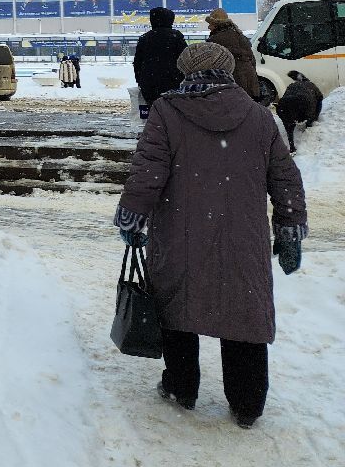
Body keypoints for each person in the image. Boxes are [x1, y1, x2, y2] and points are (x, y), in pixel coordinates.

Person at [114, 41, 307, 429]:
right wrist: (289, 229)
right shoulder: (257, 115)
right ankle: (248, 402)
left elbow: (147, 171)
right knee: (244, 313)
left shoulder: (168, 112)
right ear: (230, 70)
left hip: (180, 233)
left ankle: (181, 387)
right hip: (243, 238)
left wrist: (132, 218)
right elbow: (285, 179)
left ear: (186, 72)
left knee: (177, 308)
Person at [133, 6, 187, 112]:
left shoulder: (145, 38)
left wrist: (140, 81)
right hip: (173, 82)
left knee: (155, 112)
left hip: (149, 84)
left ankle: (157, 127)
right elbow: (185, 59)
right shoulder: (176, 37)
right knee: (172, 112)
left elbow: (137, 63)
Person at [205, 8, 261, 99]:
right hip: (249, 82)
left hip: (231, 88)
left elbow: (211, 68)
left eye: (210, 24)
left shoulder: (215, 41)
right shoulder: (240, 36)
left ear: (217, 25)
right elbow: (252, 61)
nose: (209, 27)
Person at [276, 70, 324, 152]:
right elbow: (287, 123)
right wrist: (291, 146)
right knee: (289, 124)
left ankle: (310, 123)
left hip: (310, 93)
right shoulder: (283, 106)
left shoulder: (308, 104)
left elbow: (312, 109)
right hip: (294, 94)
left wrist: (310, 121)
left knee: (312, 116)